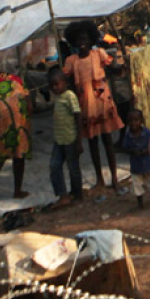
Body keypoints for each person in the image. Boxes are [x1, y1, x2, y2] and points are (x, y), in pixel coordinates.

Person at [62, 22, 124, 193]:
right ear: (74, 42)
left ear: (91, 40)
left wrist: (120, 66)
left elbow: (113, 67)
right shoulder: (71, 61)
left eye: (85, 39)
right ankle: (100, 179)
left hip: (102, 101)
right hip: (85, 105)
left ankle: (114, 177)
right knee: (92, 142)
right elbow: (65, 79)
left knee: (107, 140)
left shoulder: (99, 54)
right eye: (78, 40)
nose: (82, 42)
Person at [0, 71, 31, 202]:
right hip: (17, 118)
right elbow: (30, 104)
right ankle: (17, 191)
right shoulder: (19, 81)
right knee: (18, 153)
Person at [46, 67, 83, 207]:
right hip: (59, 140)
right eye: (52, 86)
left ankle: (77, 193)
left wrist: (79, 140)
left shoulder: (69, 96)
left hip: (70, 139)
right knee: (54, 166)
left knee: (73, 168)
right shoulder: (58, 98)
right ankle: (62, 194)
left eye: (57, 84)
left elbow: (78, 116)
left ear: (65, 83)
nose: (55, 88)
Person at [118, 108, 150, 209]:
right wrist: (132, 151)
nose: (133, 123)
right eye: (130, 121)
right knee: (136, 185)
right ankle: (140, 202)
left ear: (141, 121)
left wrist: (146, 151)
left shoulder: (147, 133)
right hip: (136, 166)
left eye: (136, 120)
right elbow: (124, 148)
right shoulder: (128, 136)